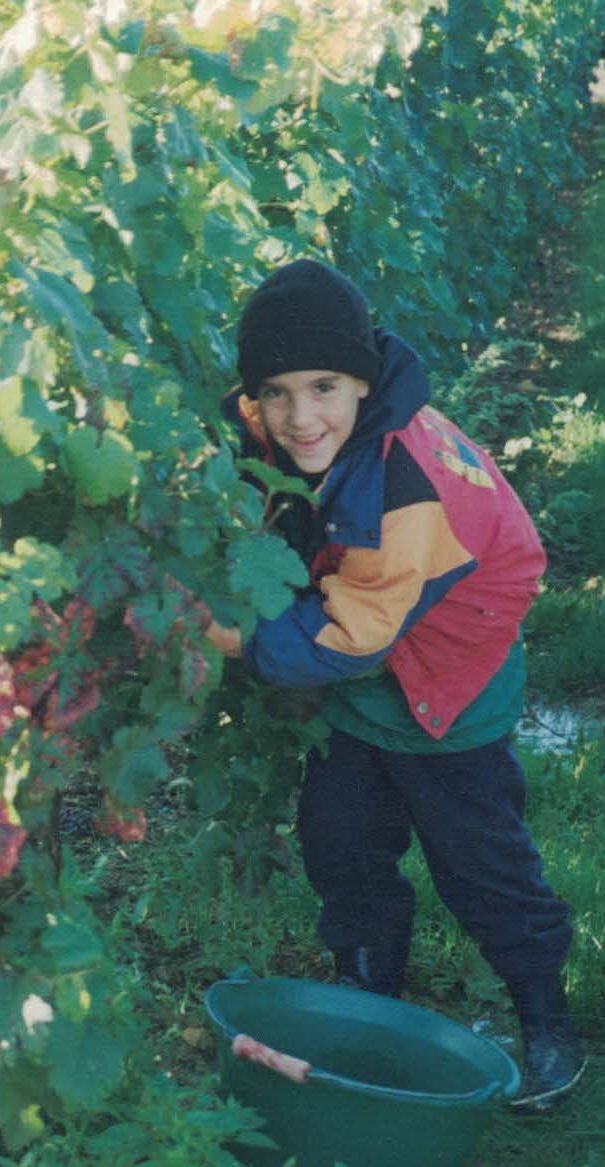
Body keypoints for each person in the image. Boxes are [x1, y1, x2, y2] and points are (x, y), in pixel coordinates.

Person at [202, 258, 584, 1110]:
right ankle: (369, 996)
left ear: (363, 380)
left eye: (324, 387)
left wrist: (222, 634)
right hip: (372, 660)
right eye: (275, 392)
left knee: (479, 861)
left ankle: (546, 1018)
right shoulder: (302, 423)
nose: (300, 416)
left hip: (448, 683)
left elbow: (348, 639)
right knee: (339, 838)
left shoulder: (406, 495)